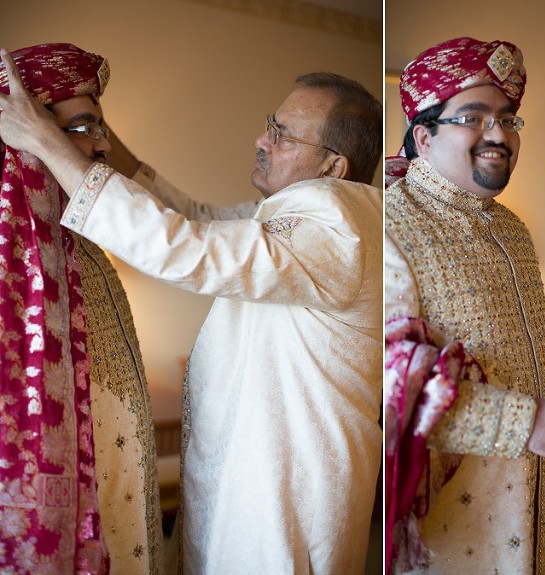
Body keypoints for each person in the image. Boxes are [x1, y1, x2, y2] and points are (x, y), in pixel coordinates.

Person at [0, 47, 383, 574]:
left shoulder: (336, 219)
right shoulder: (299, 217)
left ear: (332, 167)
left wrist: (48, 141)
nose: (261, 141)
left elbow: (190, 248)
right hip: (256, 475)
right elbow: (196, 218)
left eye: (284, 134)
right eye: (270, 124)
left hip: (284, 489)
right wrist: (100, 143)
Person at [384, 37, 545, 574]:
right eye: (473, 116)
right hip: (445, 532)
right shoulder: (389, 226)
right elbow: (381, 390)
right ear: (423, 138)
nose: (498, 134)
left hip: (529, 514)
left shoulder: (510, 229)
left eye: (508, 119)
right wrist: (526, 423)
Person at [0, 43, 163, 574]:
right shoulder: (12, 262)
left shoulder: (84, 234)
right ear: (23, 133)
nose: (101, 145)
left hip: (123, 503)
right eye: (81, 127)